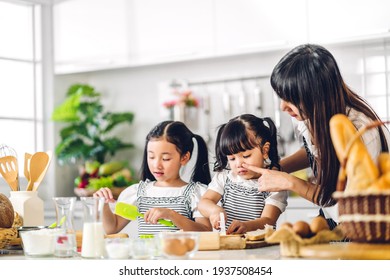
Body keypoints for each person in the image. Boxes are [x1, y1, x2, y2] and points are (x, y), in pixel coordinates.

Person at [244, 44, 390, 229]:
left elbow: (351, 208)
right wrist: (278, 168)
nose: (283, 107)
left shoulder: (361, 133)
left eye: (291, 100)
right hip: (331, 221)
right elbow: (316, 150)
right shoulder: (310, 113)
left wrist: (290, 182)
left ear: (317, 96)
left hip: (362, 227)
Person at [93, 120, 212, 236]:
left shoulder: (195, 193)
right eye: (151, 157)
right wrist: (103, 204)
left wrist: (171, 215)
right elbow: (112, 228)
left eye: (165, 158)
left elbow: (206, 232)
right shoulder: (138, 192)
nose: (156, 165)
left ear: (184, 158)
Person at [198, 114, 288, 234]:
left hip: (260, 248)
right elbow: (204, 202)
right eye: (232, 158)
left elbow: (269, 220)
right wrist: (214, 211)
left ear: (264, 150)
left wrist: (246, 226)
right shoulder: (225, 177)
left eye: (246, 156)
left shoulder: (274, 183)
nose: (238, 163)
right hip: (229, 247)